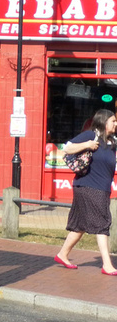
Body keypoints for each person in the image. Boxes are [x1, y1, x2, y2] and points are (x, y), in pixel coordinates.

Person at [55, 109, 117, 275]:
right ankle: (107, 264)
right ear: (104, 122)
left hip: (102, 188)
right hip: (88, 186)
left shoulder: (112, 141)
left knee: (80, 226)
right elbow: (67, 148)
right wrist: (87, 145)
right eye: (113, 121)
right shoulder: (91, 136)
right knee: (103, 224)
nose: (116, 124)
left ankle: (62, 254)